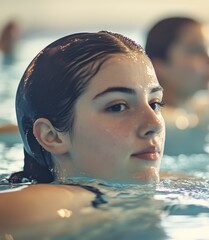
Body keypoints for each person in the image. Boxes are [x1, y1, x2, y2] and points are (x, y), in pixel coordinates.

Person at [0, 31, 166, 231]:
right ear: (51, 136)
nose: (154, 123)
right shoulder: (46, 206)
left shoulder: (165, 183)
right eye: (117, 107)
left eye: (154, 103)